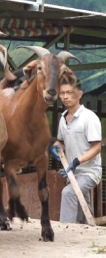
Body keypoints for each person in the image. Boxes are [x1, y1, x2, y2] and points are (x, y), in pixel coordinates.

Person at [50, 82, 102, 224]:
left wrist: (76, 162)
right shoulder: (63, 118)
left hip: (89, 171)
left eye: (70, 93)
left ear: (79, 94)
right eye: (62, 93)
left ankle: (65, 232)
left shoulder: (89, 118)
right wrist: (55, 147)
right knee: (82, 206)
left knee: (68, 193)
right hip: (72, 173)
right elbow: (61, 141)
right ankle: (91, 233)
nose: (65, 97)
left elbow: (97, 147)